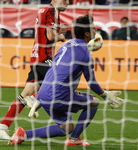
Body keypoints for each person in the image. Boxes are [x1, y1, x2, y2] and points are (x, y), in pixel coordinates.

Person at [8, 14, 124, 146]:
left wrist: (40, 97)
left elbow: (55, 69)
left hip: (44, 93)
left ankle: (23, 134)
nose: (96, 30)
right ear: (86, 34)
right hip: (58, 95)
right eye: (93, 29)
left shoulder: (67, 44)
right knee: (94, 102)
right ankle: (74, 139)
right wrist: (105, 95)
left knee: (66, 128)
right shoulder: (85, 53)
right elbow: (91, 82)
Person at [0, 0, 70, 140]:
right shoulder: (51, 11)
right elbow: (51, 37)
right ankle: (36, 99)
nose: (68, 2)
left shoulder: (44, 10)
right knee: (62, 79)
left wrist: (59, 29)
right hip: (44, 57)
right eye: (65, 0)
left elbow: (45, 31)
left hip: (36, 55)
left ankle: (2, 126)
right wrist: (60, 37)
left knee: (24, 95)